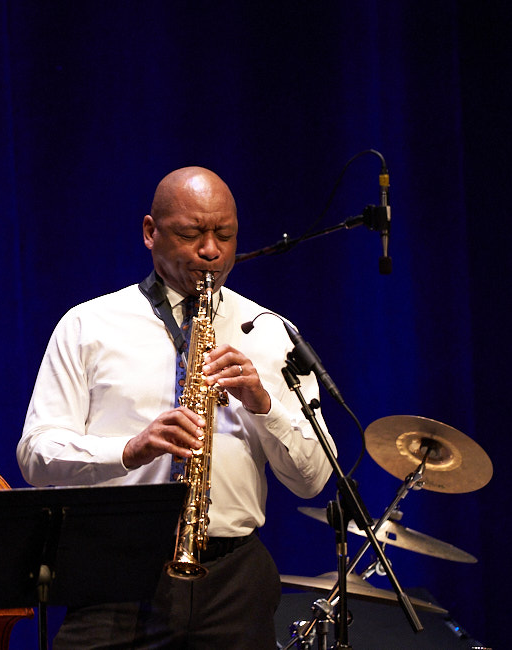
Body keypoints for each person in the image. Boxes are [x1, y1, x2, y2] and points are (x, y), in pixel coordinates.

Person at [18, 167, 335, 649]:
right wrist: (129, 449)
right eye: (191, 233)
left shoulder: (272, 332)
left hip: (234, 580)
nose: (211, 250)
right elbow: (36, 458)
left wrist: (264, 404)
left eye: (224, 235)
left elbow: (312, 479)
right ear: (151, 232)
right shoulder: (89, 326)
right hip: (115, 572)